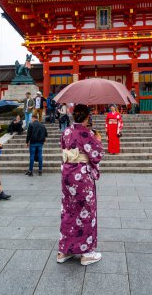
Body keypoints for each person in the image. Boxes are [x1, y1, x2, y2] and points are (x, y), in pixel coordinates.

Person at [57, 104, 105, 266]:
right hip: (82, 176)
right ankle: (86, 252)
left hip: (67, 175)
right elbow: (97, 155)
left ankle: (65, 250)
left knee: (69, 210)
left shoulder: (67, 131)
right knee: (86, 211)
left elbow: (63, 148)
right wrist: (97, 140)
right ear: (86, 117)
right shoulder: (86, 133)